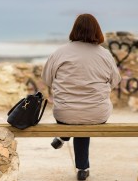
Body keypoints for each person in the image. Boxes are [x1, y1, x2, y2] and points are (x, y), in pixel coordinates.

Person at [41, 14, 121, 180]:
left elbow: (47, 80)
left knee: (77, 117)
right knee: (85, 117)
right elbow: (115, 81)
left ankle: (64, 138)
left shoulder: (60, 53)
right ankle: (82, 169)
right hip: (97, 113)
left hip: (65, 114)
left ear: (74, 30)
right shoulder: (104, 55)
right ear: (97, 31)